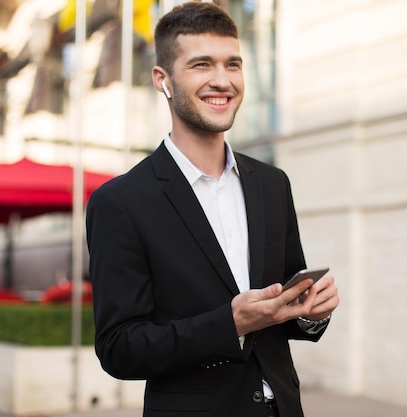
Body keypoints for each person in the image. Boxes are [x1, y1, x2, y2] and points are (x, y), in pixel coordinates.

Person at [86, 2, 339, 416]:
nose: (222, 81)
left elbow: (282, 309)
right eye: (202, 65)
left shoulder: (272, 184)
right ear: (162, 80)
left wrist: (311, 313)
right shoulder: (120, 202)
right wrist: (230, 325)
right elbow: (119, 349)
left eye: (233, 64)